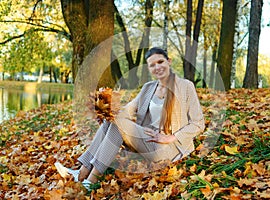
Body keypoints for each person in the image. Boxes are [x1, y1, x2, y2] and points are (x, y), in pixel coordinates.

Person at [55, 47, 205, 190]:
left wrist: (171, 137)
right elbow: (128, 110)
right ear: (149, 68)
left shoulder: (186, 86)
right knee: (114, 119)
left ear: (169, 61)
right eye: (152, 65)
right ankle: (82, 173)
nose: (157, 67)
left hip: (168, 148)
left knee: (117, 121)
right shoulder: (148, 87)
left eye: (160, 62)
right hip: (146, 138)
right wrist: (106, 114)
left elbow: (198, 123)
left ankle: (89, 179)